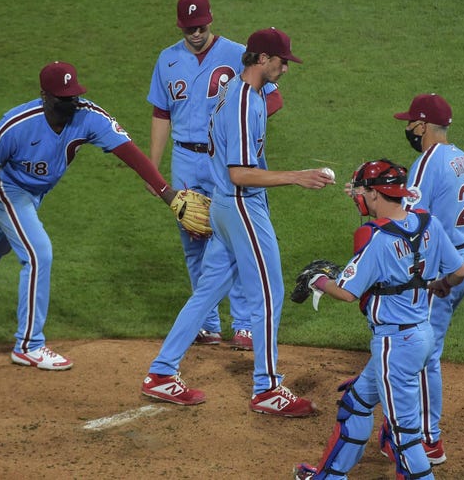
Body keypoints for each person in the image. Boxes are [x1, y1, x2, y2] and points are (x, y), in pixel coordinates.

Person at [0, 61, 183, 370]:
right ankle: (29, 344)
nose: (72, 103)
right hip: (9, 190)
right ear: (45, 96)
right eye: (64, 98)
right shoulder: (18, 123)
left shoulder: (89, 118)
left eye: (75, 95)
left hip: (35, 194)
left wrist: (166, 192)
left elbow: (130, 153)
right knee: (39, 254)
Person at [141, 28, 332, 417]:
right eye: (282, 61)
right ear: (262, 59)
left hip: (225, 209)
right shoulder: (244, 101)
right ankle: (267, 388)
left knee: (209, 290)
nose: (286, 68)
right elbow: (240, 173)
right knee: (269, 294)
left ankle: (161, 373)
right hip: (242, 205)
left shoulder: (238, 91)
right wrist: (297, 176)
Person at [294, 159, 464, 480]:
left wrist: (318, 279)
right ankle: (329, 476)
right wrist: (441, 285)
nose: (358, 198)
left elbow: (346, 292)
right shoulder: (428, 222)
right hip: (422, 335)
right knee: (355, 403)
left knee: (405, 437)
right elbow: (459, 271)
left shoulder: (376, 238)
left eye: (362, 192)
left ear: (375, 194)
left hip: (394, 345)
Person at [146, 0, 284, 350]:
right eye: (188, 27)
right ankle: (207, 324)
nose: (195, 33)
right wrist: (152, 168)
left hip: (224, 158)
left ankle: (243, 324)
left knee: (235, 236)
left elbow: (274, 97)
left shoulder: (239, 53)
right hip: (186, 159)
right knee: (193, 237)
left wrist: (235, 128)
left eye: (201, 26)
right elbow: (161, 113)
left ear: (211, 20)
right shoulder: (167, 59)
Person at [377, 94, 464, 465]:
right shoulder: (461, 158)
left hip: (445, 266)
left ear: (422, 126)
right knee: (427, 346)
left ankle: (426, 440)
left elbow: (411, 219)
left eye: (410, 123)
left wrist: (370, 201)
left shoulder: (426, 162)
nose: (407, 129)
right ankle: (418, 430)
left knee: (424, 353)